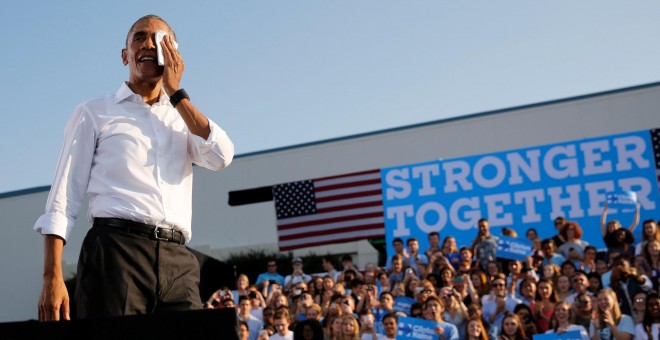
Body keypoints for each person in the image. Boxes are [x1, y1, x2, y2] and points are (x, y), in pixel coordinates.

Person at [35, 14, 235, 321]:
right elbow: (64, 196)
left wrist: (176, 92)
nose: (148, 45)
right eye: (139, 37)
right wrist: (52, 275)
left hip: (178, 261)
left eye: (159, 39)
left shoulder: (183, 119)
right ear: (125, 55)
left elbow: (221, 155)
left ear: (173, 53)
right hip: (116, 253)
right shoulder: (95, 112)